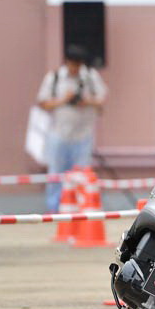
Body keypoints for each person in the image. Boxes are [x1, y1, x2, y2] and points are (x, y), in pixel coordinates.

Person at [36, 45, 107, 212]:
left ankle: (80, 209)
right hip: (59, 134)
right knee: (56, 174)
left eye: (78, 64)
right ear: (66, 62)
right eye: (73, 63)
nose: (75, 67)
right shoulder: (54, 77)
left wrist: (86, 101)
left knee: (82, 174)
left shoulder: (90, 76)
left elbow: (101, 100)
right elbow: (43, 103)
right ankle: (54, 209)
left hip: (83, 135)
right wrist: (64, 99)